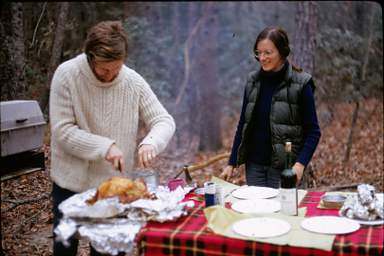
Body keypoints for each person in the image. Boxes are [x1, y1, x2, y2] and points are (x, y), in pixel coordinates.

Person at [49, 21, 176, 256]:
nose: (110, 76)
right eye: (104, 69)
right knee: (65, 247)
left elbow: (163, 120)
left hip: (113, 189)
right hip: (71, 185)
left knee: (109, 251)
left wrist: (151, 142)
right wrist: (106, 147)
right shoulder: (67, 75)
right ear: (90, 57)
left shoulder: (132, 81)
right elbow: (62, 130)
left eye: (116, 69)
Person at [220, 26, 321, 188]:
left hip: (286, 169)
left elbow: (313, 132)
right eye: (258, 53)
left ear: (282, 51)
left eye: (268, 52)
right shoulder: (252, 82)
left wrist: (300, 165)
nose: (262, 58)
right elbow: (243, 125)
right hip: (254, 168)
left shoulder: (301, 84)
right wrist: (231, 163)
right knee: (258, 212)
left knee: (284, 212)